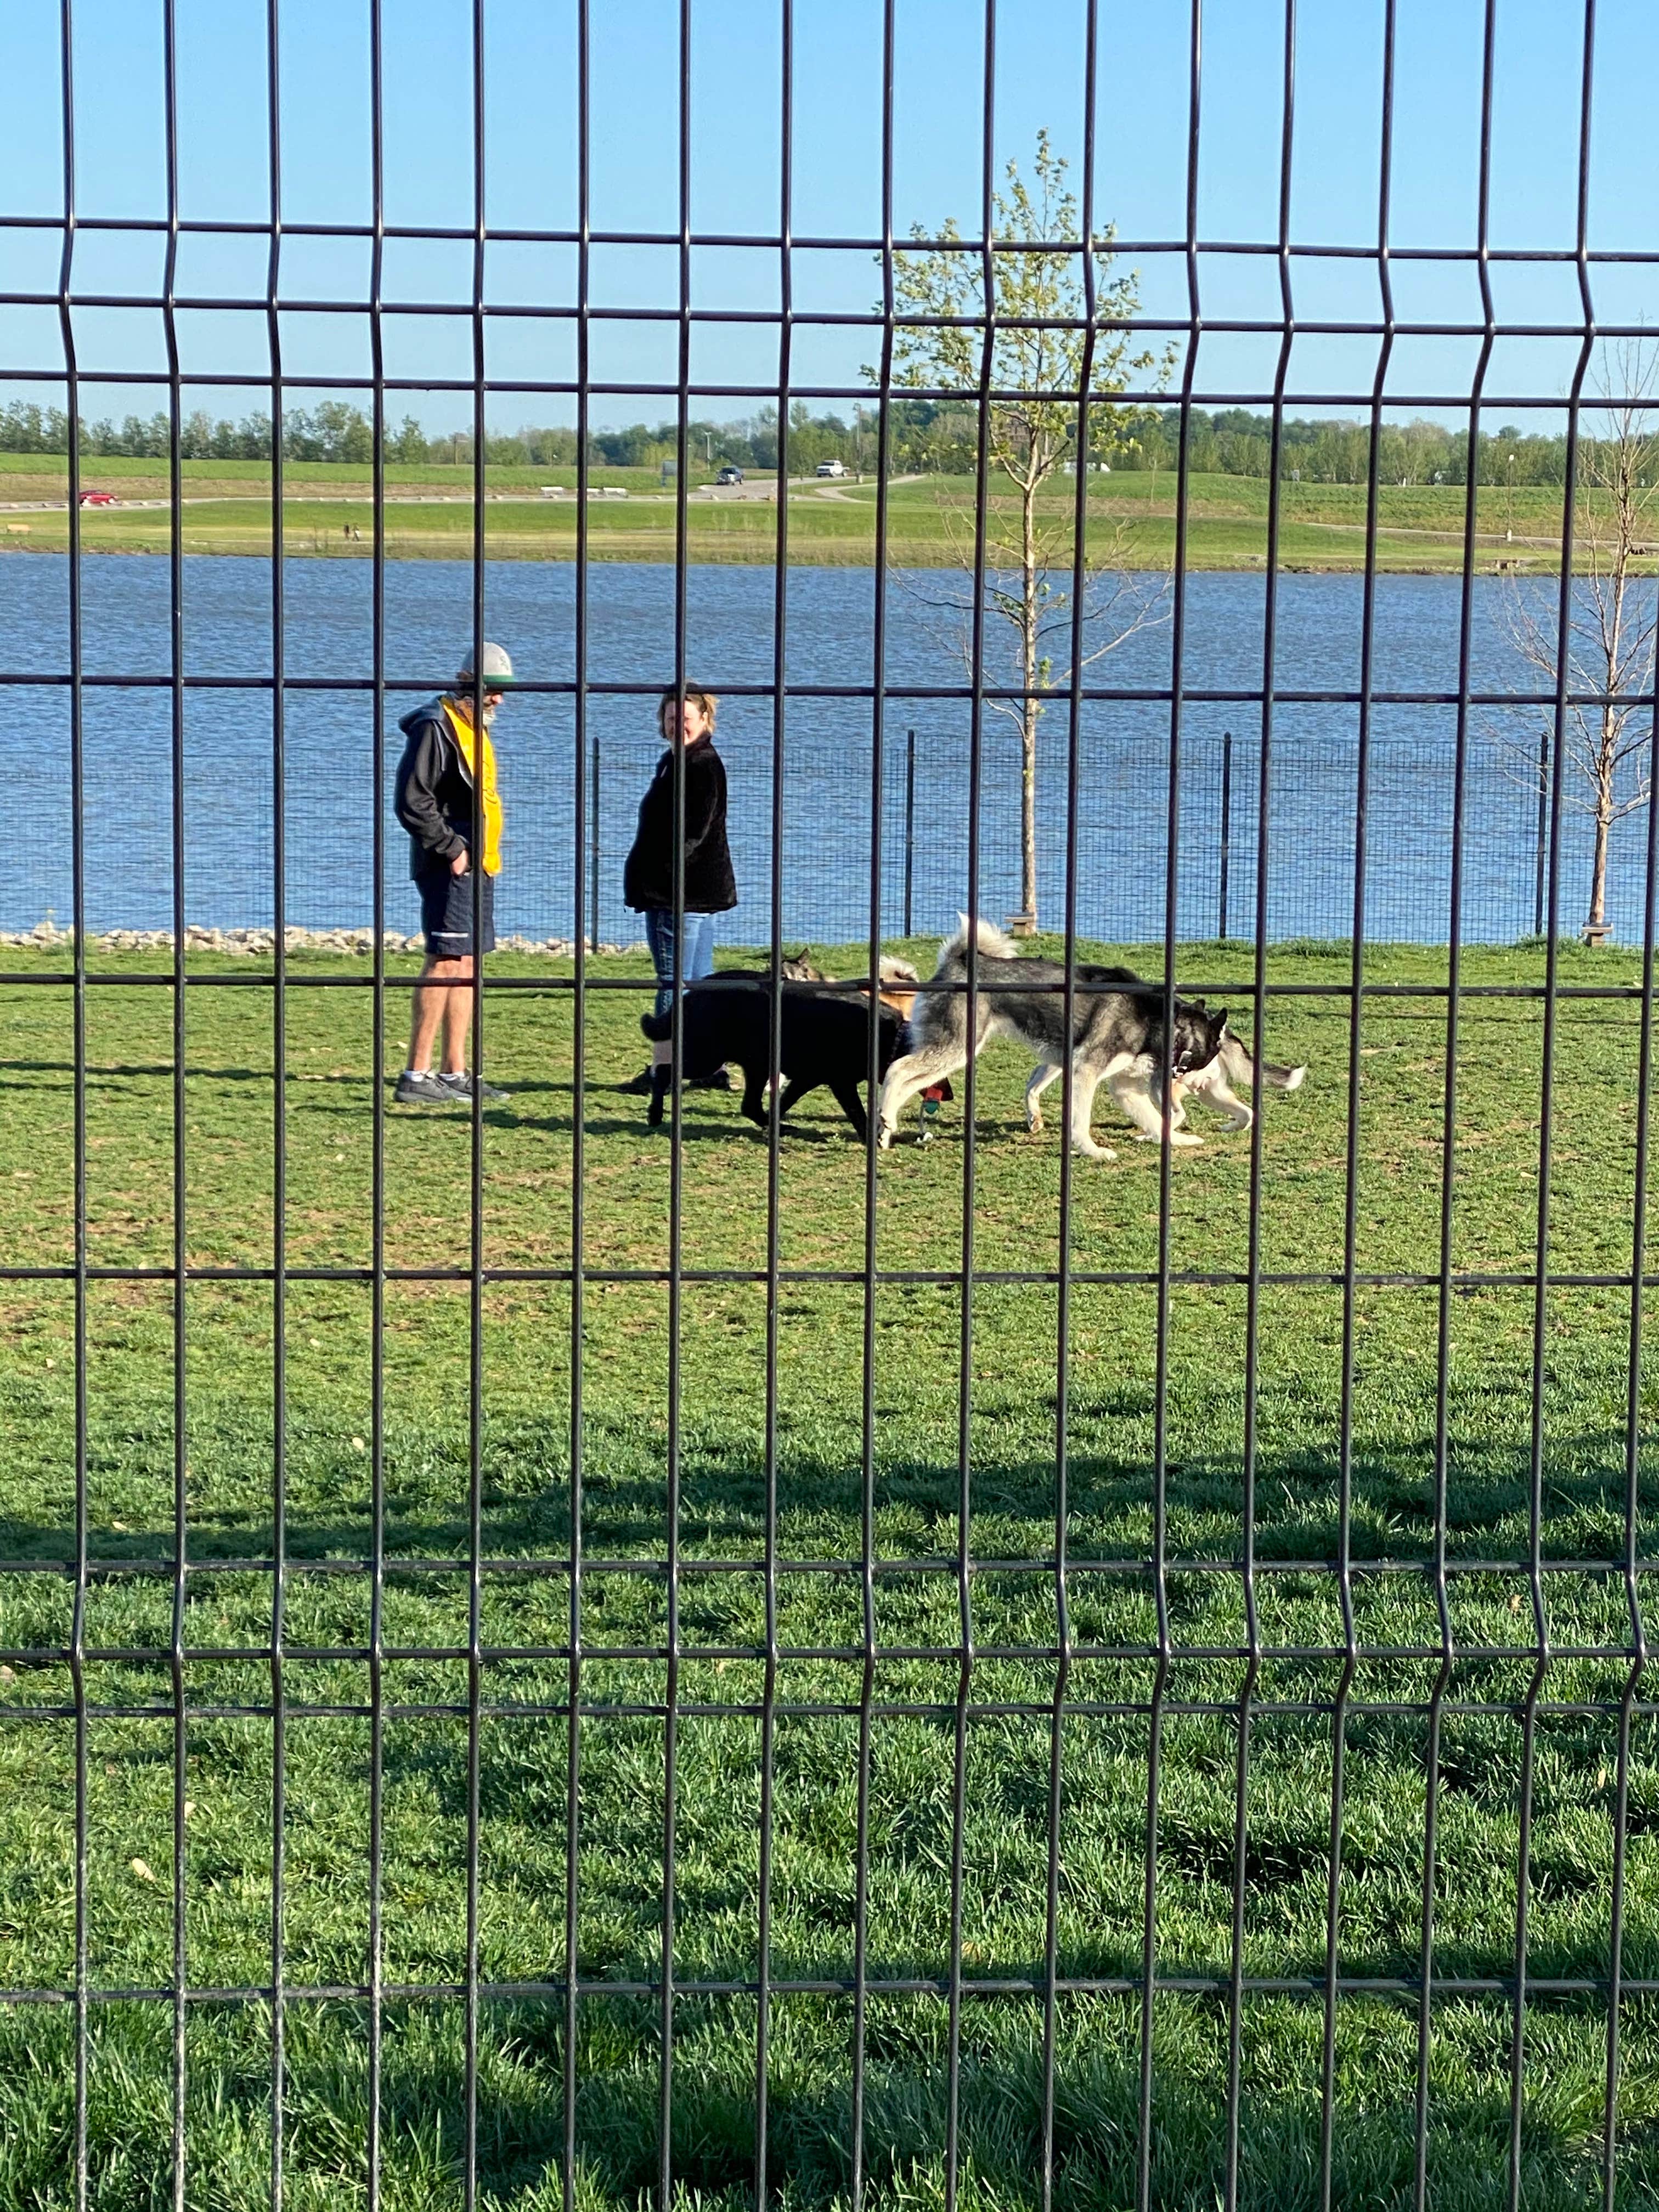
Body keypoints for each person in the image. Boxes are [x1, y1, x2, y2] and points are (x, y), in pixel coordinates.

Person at [392, 640, 517, 1105]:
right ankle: (417, 1074)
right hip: (452, 864)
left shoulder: (472, 728)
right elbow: (412, 801)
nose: (499, 700)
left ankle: (455, 1072)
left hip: (478, 865)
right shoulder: (435, 727)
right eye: (492, 690)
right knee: (444, 960)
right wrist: (451, 849)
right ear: (468, 683)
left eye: (502, 692)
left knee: (468, 963)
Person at [622, 685, 737, 1099]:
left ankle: (664, 1069)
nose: (678, 726)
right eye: (671, 719)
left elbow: (692, 833)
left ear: (705, 720)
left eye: (686, 719)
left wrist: (660, 876)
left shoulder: (700, 765)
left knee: (673, 984)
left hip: (680, 894)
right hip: (693, 890)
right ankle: (709, 1066)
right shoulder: (676, 760)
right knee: (698, 983)